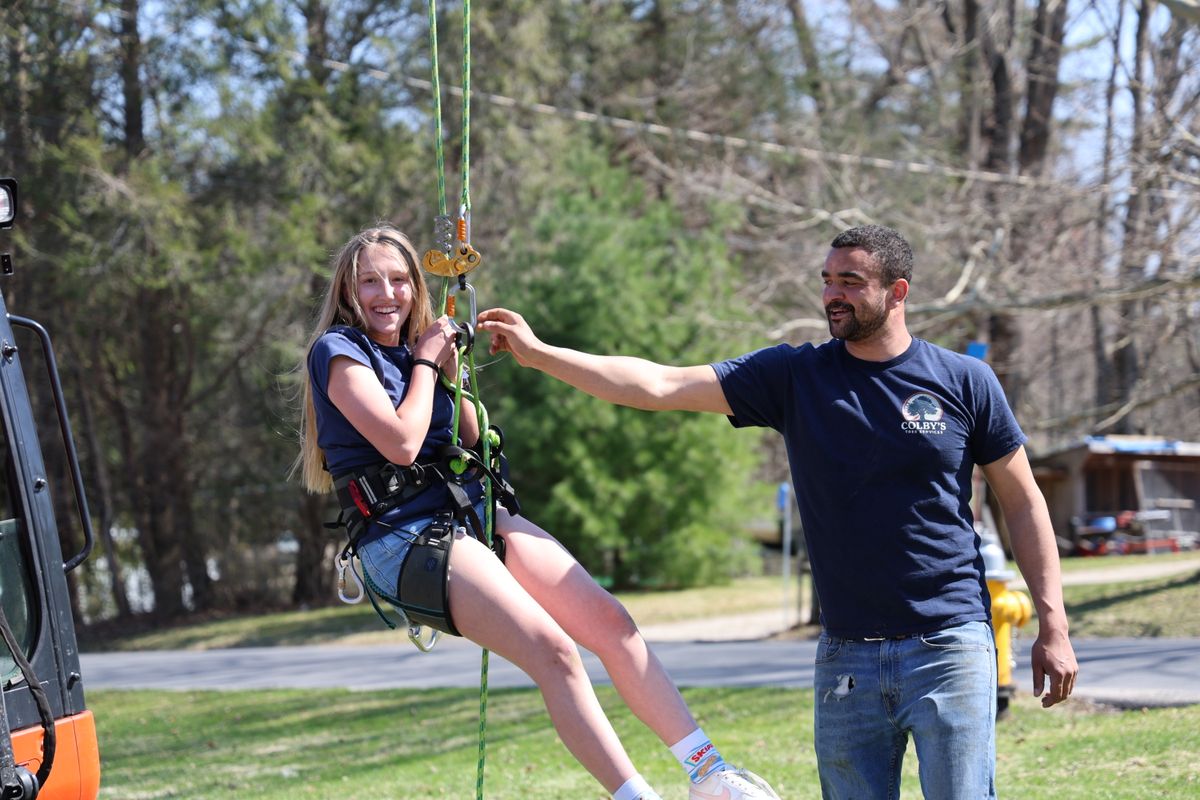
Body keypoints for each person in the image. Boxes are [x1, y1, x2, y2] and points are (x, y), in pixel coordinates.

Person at [478, 224, 1079, 799]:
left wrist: (1053, 623)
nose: (831, 295)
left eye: (850, 281)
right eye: (826, 280)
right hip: (847, 656)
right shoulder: (796, 377)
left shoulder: (964, 381)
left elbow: (1023, 500)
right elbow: (658, 385)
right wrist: (542, 355)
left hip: (949, 642)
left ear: (898, 292)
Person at [295, 224, 782, 800]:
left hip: (469, 514)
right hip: (403, 536)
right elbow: (401, 444)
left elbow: (471, 437)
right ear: (348, 292)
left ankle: (711, 774)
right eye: (369, 281)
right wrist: (427, 364)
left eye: (399, 280)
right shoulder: (338, 351)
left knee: (612, 625)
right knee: (555, 652)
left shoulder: (414, 349)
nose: (387, 294)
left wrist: (452, 376)